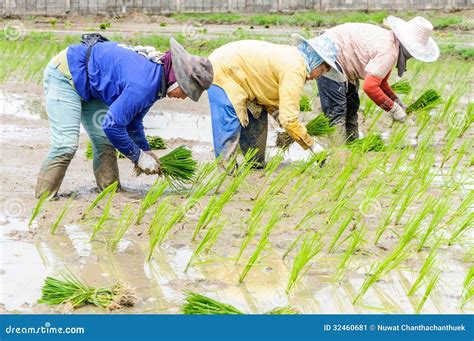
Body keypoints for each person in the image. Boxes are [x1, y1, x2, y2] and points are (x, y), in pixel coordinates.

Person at [35, 36, 213, 198]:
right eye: (186, 92)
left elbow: (133, 121)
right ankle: (44, 199)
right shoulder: (144, 85)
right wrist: (138, 157)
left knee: (104, 141)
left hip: (90, 85)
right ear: (178, 80)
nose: (183, 98)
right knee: (66, 145)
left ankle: (109, 192)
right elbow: (112, 125)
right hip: (66, 75)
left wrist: (145, 150)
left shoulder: (157, 80)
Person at [208, 37, 345, 166]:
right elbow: (289, 119)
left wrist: (283, 122)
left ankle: (255, 166)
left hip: (248, 84)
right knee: (228, 128)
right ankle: (227, 177)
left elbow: (271, 99)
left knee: (255, 157)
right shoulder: (295, 69)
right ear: (315, 60)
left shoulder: (293, 60)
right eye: (321, 70)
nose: (318, 76)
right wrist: (312, 145)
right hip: (224, 71)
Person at [316, 16, 439, 144]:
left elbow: (381, 82)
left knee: (352, 106)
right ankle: (338, 154)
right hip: (329, 56)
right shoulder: (389, 51)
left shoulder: (392, 44)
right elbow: (370, 87)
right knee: (337, 111)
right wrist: (393, 109)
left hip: (344, 62)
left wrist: (396, 101)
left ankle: (352, 147)